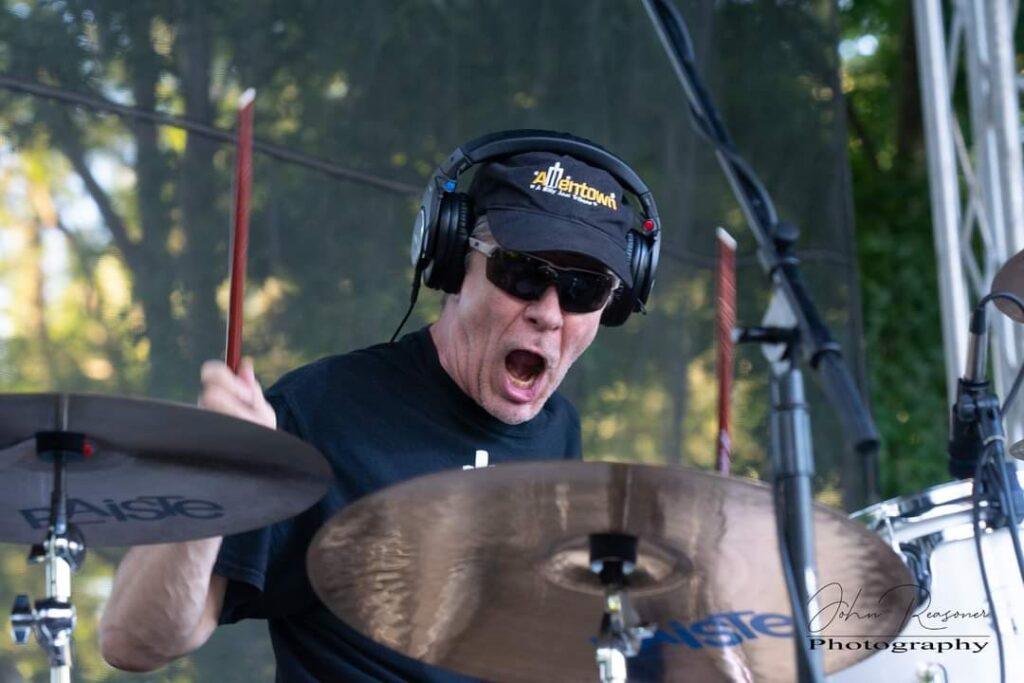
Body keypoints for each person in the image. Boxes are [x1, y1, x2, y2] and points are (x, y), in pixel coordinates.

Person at [99, 136, 658, 681]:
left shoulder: (560, 434)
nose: (550, 314)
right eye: (523, 275)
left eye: (584, 290)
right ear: (451, 264)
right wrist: (208, 478)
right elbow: (132, 641)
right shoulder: (319, 413)